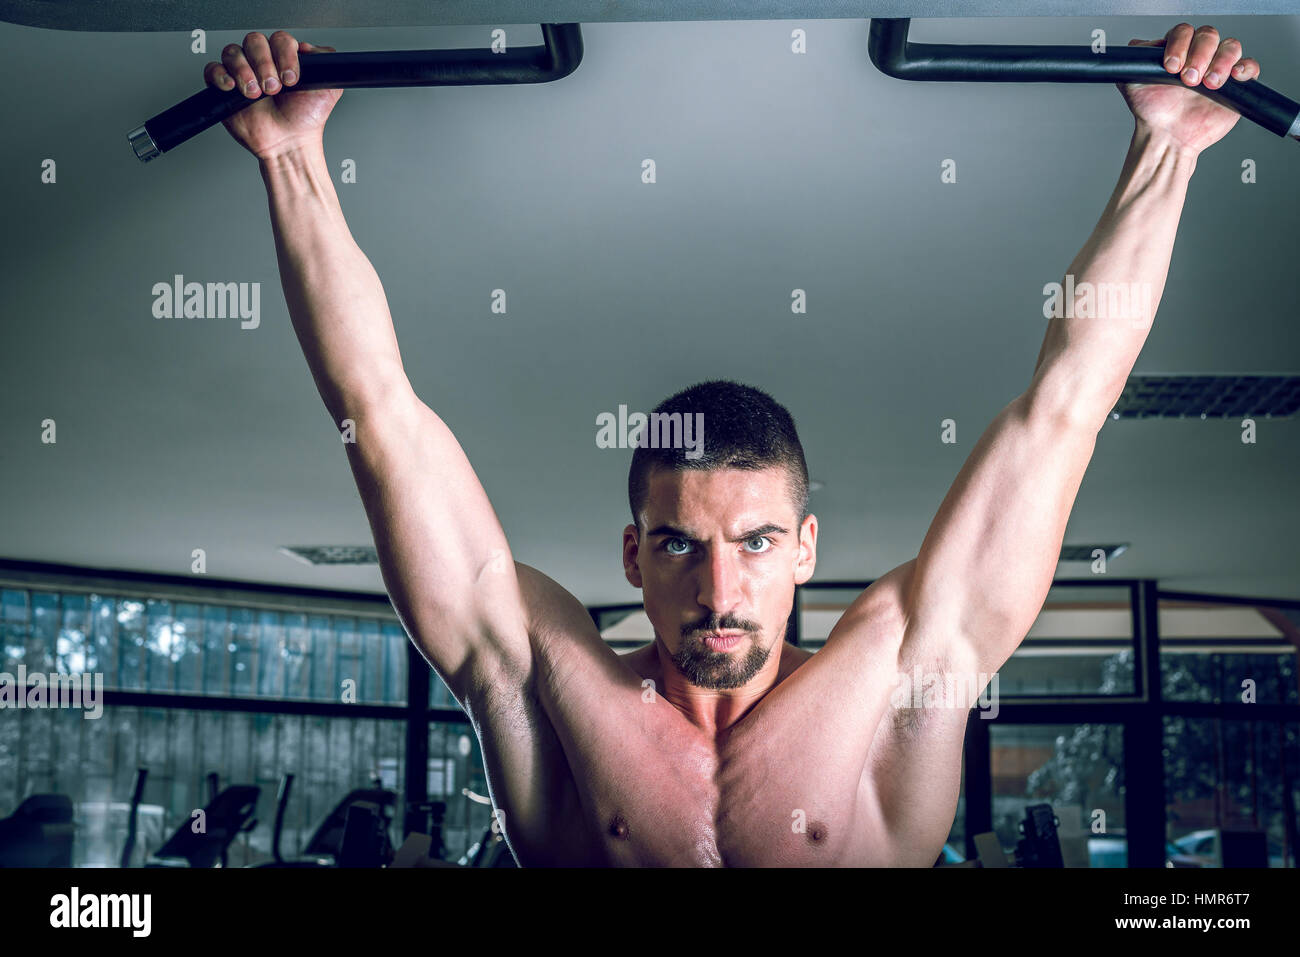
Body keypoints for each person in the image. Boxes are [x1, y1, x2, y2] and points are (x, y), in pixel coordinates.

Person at [206, 25, 1261, 865]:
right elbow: (376, 413)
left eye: (755, 543)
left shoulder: (900, 672)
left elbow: (1065, 408)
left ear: (805, 547)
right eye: (678, 545)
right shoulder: (545, 681)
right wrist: (292, 159)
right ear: (632, 553)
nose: (719, 588)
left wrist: (1167, 150)